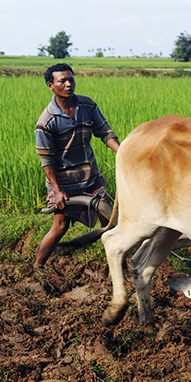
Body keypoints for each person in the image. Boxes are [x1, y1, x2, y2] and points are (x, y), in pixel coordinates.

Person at [34, 63, 120, 268]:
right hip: (65, 184)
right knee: (60, 227)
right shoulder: (47, 122)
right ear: (50, 85)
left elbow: (105, 132)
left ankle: (114, 263)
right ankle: (38, 267)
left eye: (70, 79)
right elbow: (47, 161)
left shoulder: (87, 106)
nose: (68, 84)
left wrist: (125, 153)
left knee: (109, 220)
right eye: (62, 81)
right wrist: (56, 191)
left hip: (91, 177)